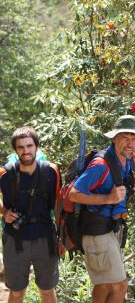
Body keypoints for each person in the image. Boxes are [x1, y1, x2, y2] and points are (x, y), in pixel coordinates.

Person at [69, 114, 135, 303]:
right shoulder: (101, 165)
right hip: (97, 231)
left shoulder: (127, 160)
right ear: (114, 138)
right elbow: (73, 193)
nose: (130, 143)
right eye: (125, 138)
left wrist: (134, 187)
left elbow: (118, 191)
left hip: (112, 228)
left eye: (134, 138)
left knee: (103, 285)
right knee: (120, 285)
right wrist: (108, 198)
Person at [0, 127, 61, 303]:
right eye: (20, 147)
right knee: (17, 292)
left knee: (47, 290)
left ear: (37, 147)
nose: (25, 151)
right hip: (15, 238)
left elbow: (58, 203)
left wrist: (61, 237)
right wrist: (5, 212)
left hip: (46, 238)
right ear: (15, 149)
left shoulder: (51, 171)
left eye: (29, 146)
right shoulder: (5, 173)